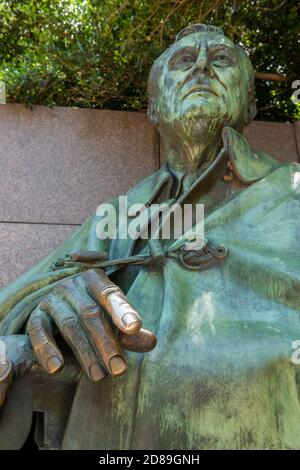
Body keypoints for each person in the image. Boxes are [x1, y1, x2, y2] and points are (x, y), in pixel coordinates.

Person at [1, 23, 300, 450]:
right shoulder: (119, 214)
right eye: (183, 61)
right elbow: (14, 302)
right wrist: (43, 314)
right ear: (154, 107)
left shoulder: (293, 192)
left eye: (221, 60)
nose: (201, 67)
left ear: (250, 103)